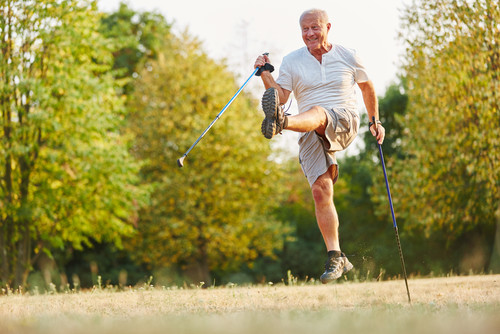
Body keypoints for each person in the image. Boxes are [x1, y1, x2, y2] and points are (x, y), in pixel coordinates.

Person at [254, 8, 385, 283]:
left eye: (315, 28)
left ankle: (282, 124)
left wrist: (375, 121)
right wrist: (265, 72)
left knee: (319, 111)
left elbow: (367, 87)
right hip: (309, 128)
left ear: (327, 27)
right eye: (304, 29)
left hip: (343, 118)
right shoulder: (292, 60)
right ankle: (337, 257)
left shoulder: (348, 55)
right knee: (320, 190)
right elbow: (279, 96)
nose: (310, 34)